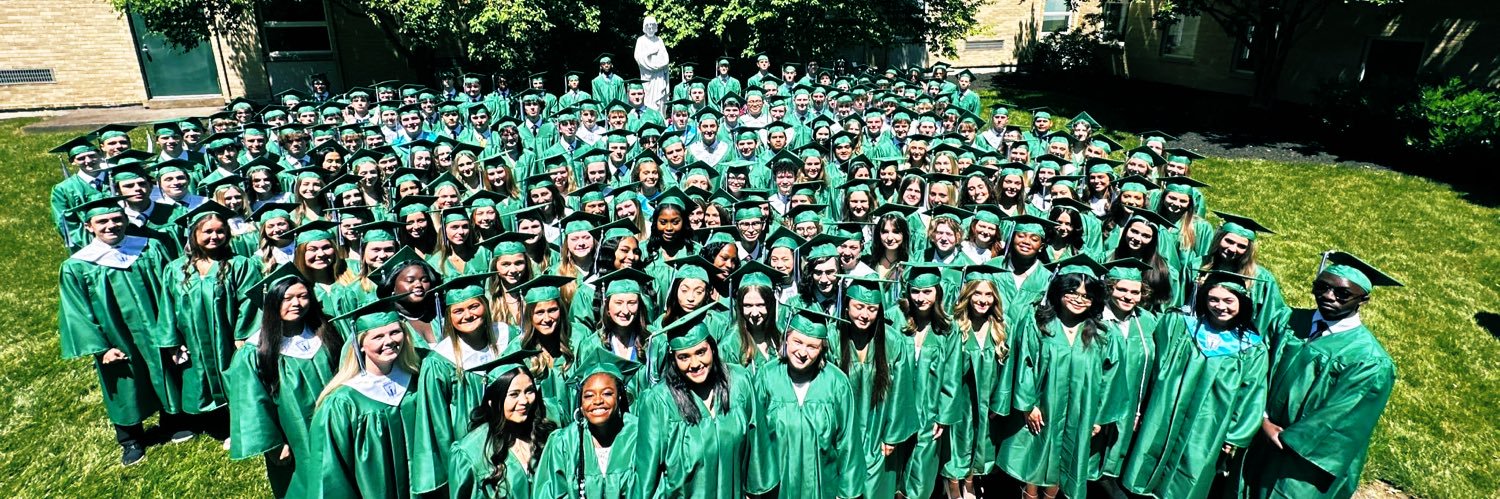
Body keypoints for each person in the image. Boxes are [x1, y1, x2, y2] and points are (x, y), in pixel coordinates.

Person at [1240, 252, 1400, 499]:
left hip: (1303, 460)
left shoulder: (1369, 360)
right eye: (1321, 287)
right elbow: (1254, 369)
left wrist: (1284, 437)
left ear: (1363, 300)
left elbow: (1341, 417)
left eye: (1342, 294)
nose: (1328, 296)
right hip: (1255, 431)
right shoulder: (1287, 320)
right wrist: (1260, 419)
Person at [1120, 271, 1268, 499]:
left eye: (1229, 300)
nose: (1220, 306)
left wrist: (1233, 436)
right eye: (1213, 299)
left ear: (1243, 302)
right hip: (1164, 413)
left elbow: (1252, 394)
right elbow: (1152, 365)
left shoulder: (1251, 348)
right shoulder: (1181, 326)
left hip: (1209, 425)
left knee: (1190, 473)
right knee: (1148, 463)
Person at [57, 197, 175, 465]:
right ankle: (130, 438)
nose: (111, 225)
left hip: (155, 327)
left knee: (164, 367)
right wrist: (101, 348)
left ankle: (173, 418)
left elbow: (171, 288)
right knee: (123, 380)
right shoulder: (78, 265)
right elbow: (76, 312)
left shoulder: (149, 248)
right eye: (103, 221)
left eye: (116, 219)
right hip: (115, 336)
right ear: (89, 226)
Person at [996, 255, 1126, 499]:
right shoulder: (1037, 323)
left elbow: (1111, 377)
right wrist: (1028, 405)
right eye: (1072, 292)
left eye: (1086, 296)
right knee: (1034, 461)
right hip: (1042, 409)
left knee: (1062, 465)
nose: (1079, 299)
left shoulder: (1104, 334)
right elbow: (1026, 363)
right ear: (1059, 290)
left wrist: (1098, 417)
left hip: (1081, 411)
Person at [225, 265, 343, 497]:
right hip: (293, 432)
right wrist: (273, 445)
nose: (296, 304)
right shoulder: (255, 351)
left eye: (302, 296)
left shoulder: (325, 332)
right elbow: (250, 403)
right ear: (271, 302)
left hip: (336, 422)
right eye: (287, 298)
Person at [158, 202, 262, 442]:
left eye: (220, 231)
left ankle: (239, 424)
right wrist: (172, 341)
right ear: (194, 234)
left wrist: (242, 335)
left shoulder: (240, 264)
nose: (215, 236)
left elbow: (249, 302)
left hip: (228, 337)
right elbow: (167, 307)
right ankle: (214, 423)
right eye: (208, 231)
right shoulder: (175, 269)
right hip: (193, 340)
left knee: (233, 376)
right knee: (199, 376)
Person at [635, 301, 754, 498]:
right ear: (673, 359)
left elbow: (755, 453)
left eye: (701, 352)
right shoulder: (658, 401)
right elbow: (646, 475)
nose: (695, 364)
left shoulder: (739, 383)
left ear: (713, 349)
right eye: (684, 357)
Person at [306, 297, 424, 497]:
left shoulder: (418, 379)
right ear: (360, 344)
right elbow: (329, 469)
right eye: (378, 337)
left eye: (395, 332)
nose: (389, 341)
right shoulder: (343, 402)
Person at [411, 274, 516, 495]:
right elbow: (436, 424)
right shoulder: (439, 362)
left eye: (474, 306)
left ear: (486, 306)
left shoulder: (509, 338)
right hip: (470, 452)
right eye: (458, 311)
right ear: (449, 317)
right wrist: (455, 466)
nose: (468, 315)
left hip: (512, 444)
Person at [746, 307, 862, 499]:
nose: (802, 352)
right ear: (786, 339)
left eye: (812, 346)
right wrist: (755, 488)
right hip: (776, 488)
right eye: (797, 342)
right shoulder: (766, 377)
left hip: (823, 486)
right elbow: (756, 438)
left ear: (822, 349)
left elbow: (848, 441)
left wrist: (846, 493)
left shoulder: (837, 383)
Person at [531, 344, 642, 499]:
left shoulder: (640, 436)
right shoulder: (564, 443)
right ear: (580, 402)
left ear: (620, 397)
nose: (597, 401)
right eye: (588, 395)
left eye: (607, 393)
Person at [447, 354, 558, 499]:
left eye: (529, 391)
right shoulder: (470, 453)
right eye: (514, 394)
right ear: (492, 401)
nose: (524, 400)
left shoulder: (546, 432)